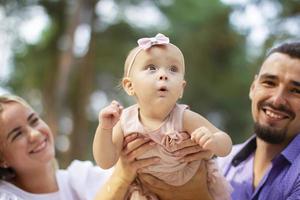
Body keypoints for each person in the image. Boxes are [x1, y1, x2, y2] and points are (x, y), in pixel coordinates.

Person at [93, 33, 233, 200]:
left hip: (192, 187)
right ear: (129, 86)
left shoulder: (184, 117)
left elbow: (226, 144)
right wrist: (105, 129)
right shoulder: (125, 121)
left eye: (173, 69)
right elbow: (105, 161)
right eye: (151, 67)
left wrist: (214, 140)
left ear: (181, 89)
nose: (163, 74)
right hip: (145, 193)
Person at [0, 94, 207, 200]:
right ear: (2, 159)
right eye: (17, 134)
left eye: (34, 120)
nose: (35, 134)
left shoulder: (76, 177)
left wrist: (185, 153)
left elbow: (146, 181)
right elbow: (121, 177)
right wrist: (123, 175)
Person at [218, 41, 300, 199]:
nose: (277, 100)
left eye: (296, 90)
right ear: (253, 87)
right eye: (269, 83)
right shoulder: (223, 162)